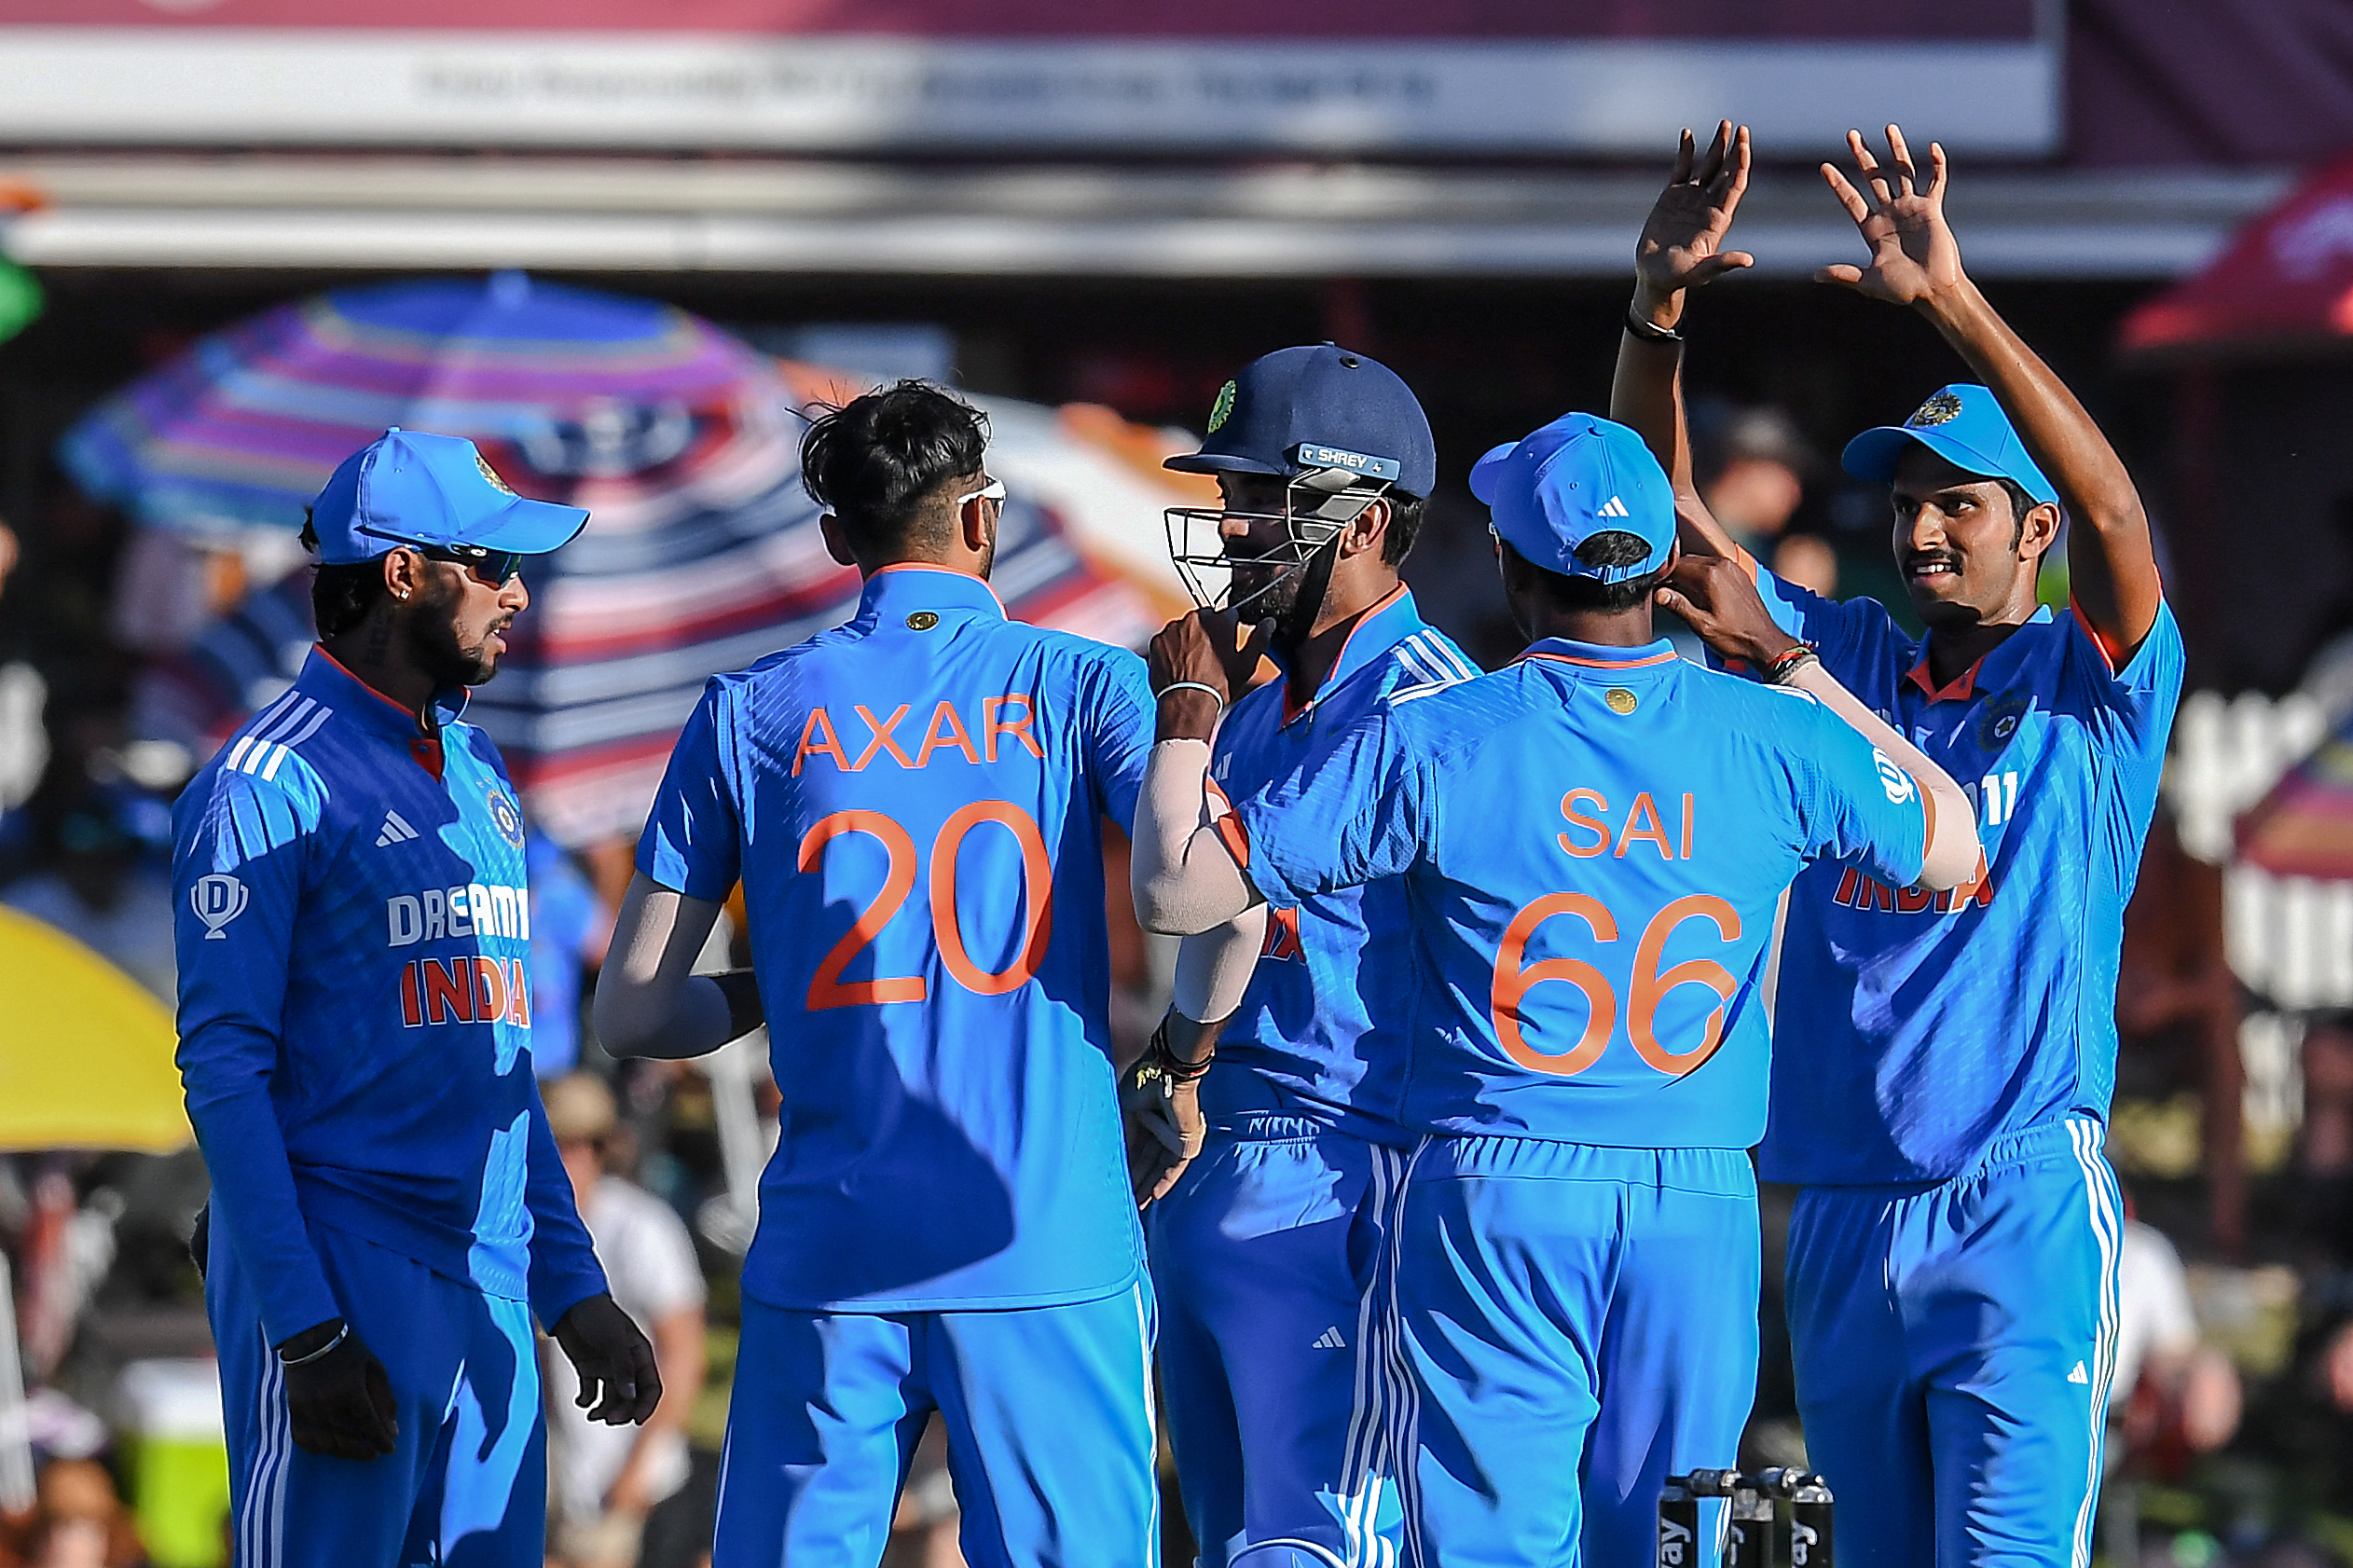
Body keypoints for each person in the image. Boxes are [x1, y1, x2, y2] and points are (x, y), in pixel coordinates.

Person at [1131, 409, 1982, 1564]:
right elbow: (1951, 841)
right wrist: (1791, 661)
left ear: (1507, 561)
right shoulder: (1773, 732)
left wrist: (1189, 717)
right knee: (1686, 1538)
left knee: (1492, 1543)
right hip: (1697, 1201)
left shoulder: (1441, 735)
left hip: (1496, 1186)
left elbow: (1179, 889)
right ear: (1660, 569)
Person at [1611, 121, 2182, 1565]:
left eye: (1960, 504)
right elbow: (1665, 532)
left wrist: (1952, 300)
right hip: (1843, 1212)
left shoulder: (2094, 682)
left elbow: (2119, 509)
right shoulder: (1851, 652)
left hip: (2020, 1206)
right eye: (1910, 501)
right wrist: (1657, 308)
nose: (1923, 530)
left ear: (2034, 529)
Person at [591, 381, 1260, 1568]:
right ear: (983, 517)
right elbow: (1220, 903)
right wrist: (1181, 1063)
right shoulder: (1084, 681)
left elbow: (635, 1009)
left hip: (832, 1250)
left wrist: (779, 983)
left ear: (836, 537)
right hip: (1043, 1236)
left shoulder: (746, 709)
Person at [172, 429, 659, 1568]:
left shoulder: (479, 771)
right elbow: (224, 1073)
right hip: (342, 1264)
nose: (518, 593)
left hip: (492, 1286)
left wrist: (570, 1283)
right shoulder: (264, 782)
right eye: (492, 565)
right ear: (402, 572)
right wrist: (303, 1326)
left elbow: (502, 1065)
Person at [1136, 343, 1474, 1568]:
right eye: (1230, 500)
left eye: (1261, 502)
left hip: (1351, 1177)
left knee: (1320, 1542)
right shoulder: (1264, 700)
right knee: (1227, 1539)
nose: (1231, 531)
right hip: (1219, 1162)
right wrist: (1176, 1061)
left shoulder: (1440, 707)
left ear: (1364, 521)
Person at [541, 1072, 708, 1568]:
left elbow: (685, 1356)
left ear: (601, 1149)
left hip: (633, 1482)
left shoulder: (641, 1227)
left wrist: (637, 1474)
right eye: (552, 1146)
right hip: (563, 1478)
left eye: (578, 1145)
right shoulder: (520, 1230)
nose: (565, 1160)